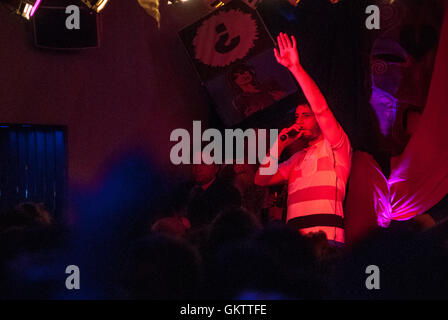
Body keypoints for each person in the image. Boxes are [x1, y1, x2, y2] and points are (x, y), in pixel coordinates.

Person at [255, 33, 352, 245]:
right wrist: (279, 144)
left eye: (306, 116)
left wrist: (295, 68)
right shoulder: (296, 159)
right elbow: (261, 179)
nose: (299, 121)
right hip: (296, 247)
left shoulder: (335, 147)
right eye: (297, 117)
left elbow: (322, 109)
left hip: (327, 241)